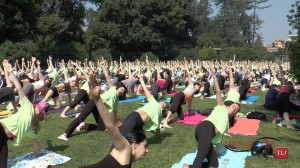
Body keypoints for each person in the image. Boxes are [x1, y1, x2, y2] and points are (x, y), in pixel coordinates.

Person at [183, 62, 240, 168]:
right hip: (205, 128)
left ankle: (189, 167)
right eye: (233, 107)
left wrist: (225, 133)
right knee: (200, 156)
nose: (234, 109)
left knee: (214, 164)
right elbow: (218, 92)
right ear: (228, 106)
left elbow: (221, 129)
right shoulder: (221, 107)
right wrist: (214, 75)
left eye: (236, 110)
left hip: (209, 135)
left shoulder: (227, 121)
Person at [57, 60, 125, 141]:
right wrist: (103, 66)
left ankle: (83, 126)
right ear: (118, 87)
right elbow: (106, 76)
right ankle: (65, 134)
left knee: (101, 127)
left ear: (122, 94)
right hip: (94, 102)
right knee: (81, 117)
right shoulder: (112, 88)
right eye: (121, 88)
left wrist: (115, 122)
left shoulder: (116, 101)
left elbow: (115, 113)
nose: (122, 89)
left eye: (124, 90)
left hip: (100, 108)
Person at [82, 86, 148, 168]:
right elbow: (111, 125)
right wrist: (97, 99)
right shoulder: (126, 149)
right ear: (134, 145)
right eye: (145, 146)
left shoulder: (127, 158)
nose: (147, 150)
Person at [0, 62, 50, 168]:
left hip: (3, 139)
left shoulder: (34, 128)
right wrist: (11, 73)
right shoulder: (27, 105)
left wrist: (39, 156)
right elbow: (18, 88)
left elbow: (35, 143)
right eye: (40, 109)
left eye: (41, 111)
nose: (39, 110)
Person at [119, 74, 169, 140]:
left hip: (138, 121)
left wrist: (159, 137)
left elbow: (157, 128)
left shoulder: (158, 114)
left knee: (128, 137)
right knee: (123, 134)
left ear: (164, 109)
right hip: (136, 117)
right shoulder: (154, 102)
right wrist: (141, 79)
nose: (163, 101)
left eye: (165, 102)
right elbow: (145, 90)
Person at [162, 61, 200, 128]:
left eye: (199, 87)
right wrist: (186, 66)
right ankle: (165, 123)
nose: (199, 87)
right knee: (173, 109)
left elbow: (190, 103)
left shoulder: (192, 95)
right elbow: (188, 74)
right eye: (198, 85)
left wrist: (189, 110)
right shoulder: (191, 85)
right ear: (195, 85)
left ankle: (167, 119)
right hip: (180, 95)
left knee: (181, 118)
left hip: (180, 101)